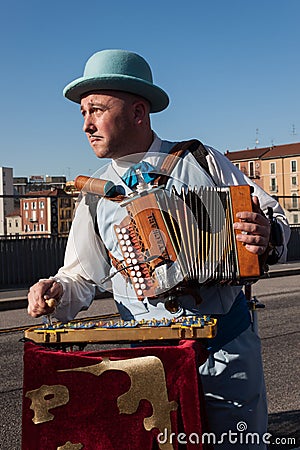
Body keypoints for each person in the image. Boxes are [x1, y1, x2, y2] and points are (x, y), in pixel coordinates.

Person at [28, 49, 290, 448]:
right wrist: (56, 291)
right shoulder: (94, 195)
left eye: (96, 110)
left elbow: (274, 219)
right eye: (83, 113)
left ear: (137, 112)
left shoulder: (202, 161)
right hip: (149, 362)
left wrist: (268, 235)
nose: (86, 125)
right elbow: (81, 275)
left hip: (227, 350)